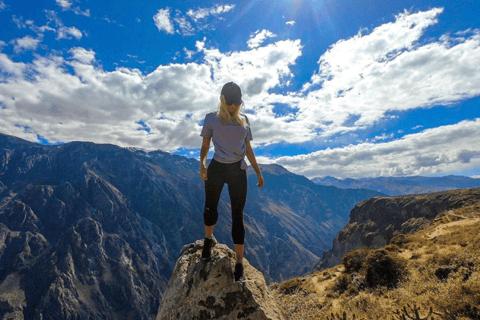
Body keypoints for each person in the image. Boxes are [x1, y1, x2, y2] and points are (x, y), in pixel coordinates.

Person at [199, 82, 264, 283]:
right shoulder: (211, 119)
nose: (233, 107)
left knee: (238, 216)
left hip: (238, 170)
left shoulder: (244, 121)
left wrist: (258, 172)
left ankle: (238, 263)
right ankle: (208, 241)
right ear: (222, 99)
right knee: (210, 206)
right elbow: (205, 145)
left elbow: (249, 149)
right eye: (230, 103)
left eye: (237, 103)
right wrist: (202, 164)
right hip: (217, 167)